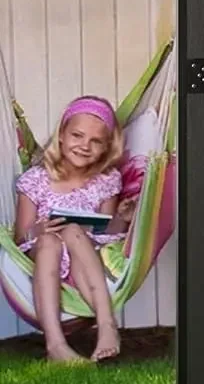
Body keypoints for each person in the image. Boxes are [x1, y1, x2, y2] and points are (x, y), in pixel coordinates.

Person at [14, 96, 137, 363]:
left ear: (107, 147)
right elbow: (20, 237)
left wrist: (123, 219)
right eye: (77, 136)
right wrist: (38, 230)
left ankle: (106, 326)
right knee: (51, 241)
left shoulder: (106, 181)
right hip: (46, 259)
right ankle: (56, 345)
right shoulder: (35, 180)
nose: (84, 146)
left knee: (73, 232)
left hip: (85, 261)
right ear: (61, 136)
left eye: (96, 141)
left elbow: (106, 231)